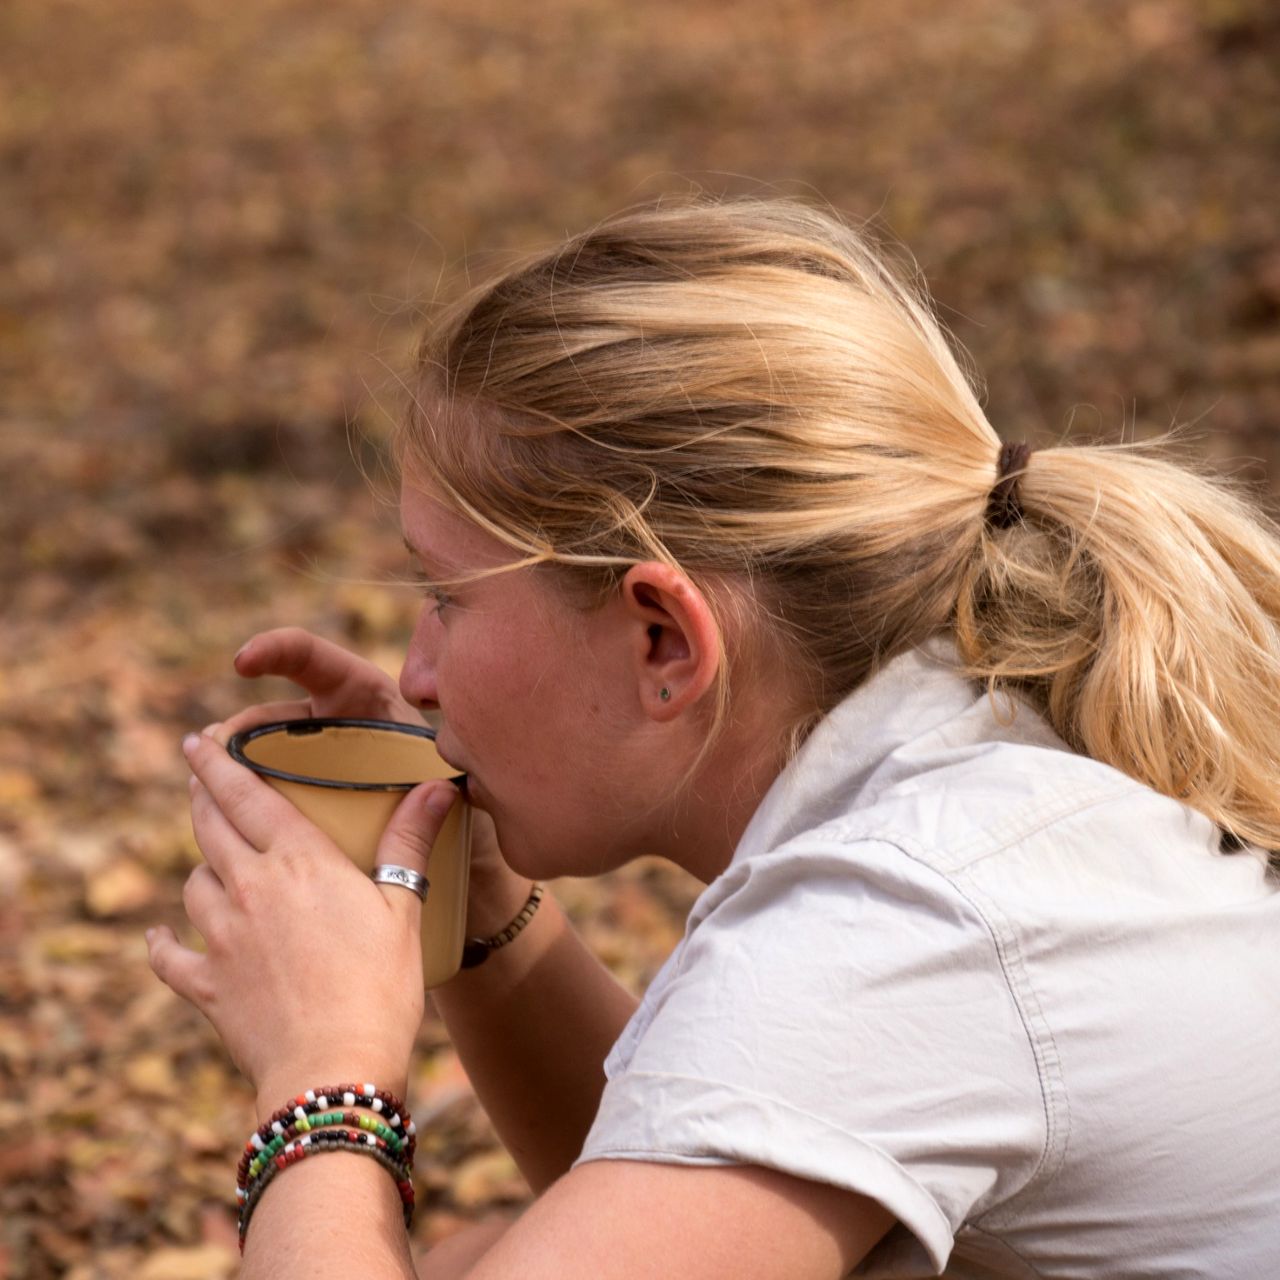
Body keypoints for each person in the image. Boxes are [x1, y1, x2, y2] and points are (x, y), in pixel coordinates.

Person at [146, 197, 1280, 1279]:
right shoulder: (988, 748)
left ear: (663, 642)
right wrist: (474, 903)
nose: (415, 672)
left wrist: (320, 1068)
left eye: (446, 595)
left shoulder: (898, 921)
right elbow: (675, 1199)